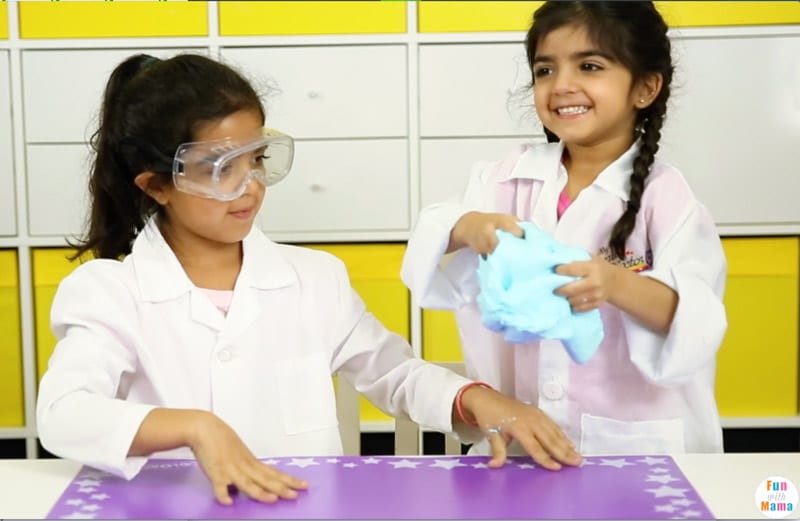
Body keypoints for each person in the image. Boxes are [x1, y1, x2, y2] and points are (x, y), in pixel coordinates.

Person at [36, 53, 582, 506]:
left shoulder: (314, 278)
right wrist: (195, 426)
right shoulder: (109, 292)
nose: (249, 186)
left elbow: (394, 374)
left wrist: (477, 399)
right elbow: (63, 414)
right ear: (158, 185)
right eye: (222, 168)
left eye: (258, 159)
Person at [401, 1, 727, 457]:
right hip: (523, 443)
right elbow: (434, 230)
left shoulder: (666, 196)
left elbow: (693, 315)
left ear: (646, 88)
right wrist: (470, 226)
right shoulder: (508, 174)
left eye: (589, 66)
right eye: (545, 70)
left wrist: (613, 282)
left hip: (635, 446)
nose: (562, 86)